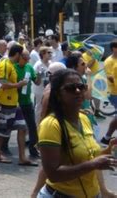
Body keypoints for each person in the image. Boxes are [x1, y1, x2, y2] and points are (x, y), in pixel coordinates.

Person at [37, 69, 117, 198]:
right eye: (70, 88)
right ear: (58, 94)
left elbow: (87, 156)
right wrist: (94, 164)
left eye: (81, 87)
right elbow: (53, 174)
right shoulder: (51, 125)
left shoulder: (84, 119)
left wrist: (108, 150)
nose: (78, 91)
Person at [0, 44, 36, 166]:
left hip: (13, 102)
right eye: (21, 56)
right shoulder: (5, 64)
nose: (23, 59)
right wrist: (19, 85)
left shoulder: (10, 64)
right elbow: (2, 83)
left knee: (22, 128)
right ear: (17, 54)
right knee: (3, 130)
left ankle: (22, 157)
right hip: (5, 102)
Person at [14, 49, 40, 159]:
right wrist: (19, 84)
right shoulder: (13, 67)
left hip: (27, 102)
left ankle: (33, 149)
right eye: (25, 58)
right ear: (19, 57)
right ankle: (3, 147)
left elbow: (37, 82)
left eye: (28, 58)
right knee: (11, 126)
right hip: (15, 102)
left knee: (32, 127)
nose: (27, 60)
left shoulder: (29, 67)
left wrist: (40, 75)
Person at [33, 46, 53, 123]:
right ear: (43, 54)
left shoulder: (51, 63)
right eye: (48, 52)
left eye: (51, 52)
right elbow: (34, 79)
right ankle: (37, 125)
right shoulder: (38, 65)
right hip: (40, 91)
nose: (50, 54)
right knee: (39, 108)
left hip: (49, 89)